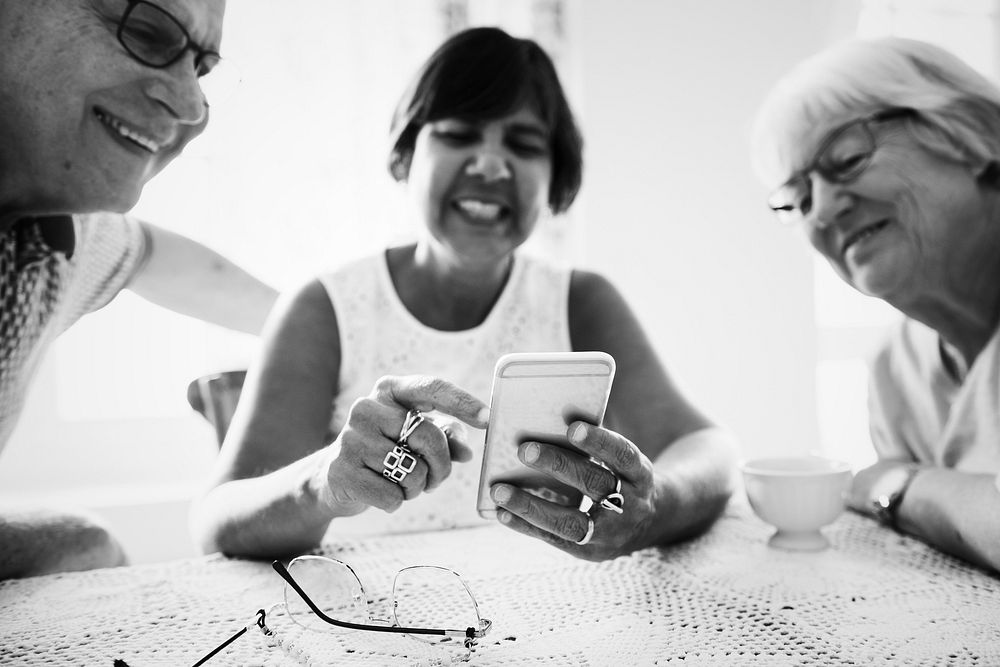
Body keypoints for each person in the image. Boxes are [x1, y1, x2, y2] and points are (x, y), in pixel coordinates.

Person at [192, 26, 738, 563]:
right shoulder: (325, 309)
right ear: (406, 155)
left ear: (555, 181)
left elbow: (708, 452)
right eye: (459, 134)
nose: (492, 165)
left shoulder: (581, 301)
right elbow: (218, 522)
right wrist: (324, 483)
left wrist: (654, 504)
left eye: (524, 145)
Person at [0, 0, 279, 578]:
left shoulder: (58, 234)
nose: (193, 108)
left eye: (201, 69)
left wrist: (324, 330)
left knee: (86, 545)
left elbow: (153, 256)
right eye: (147, 34)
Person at [751, 37, 1000, 572]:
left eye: (848, 159)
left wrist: (900, 483)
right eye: (800, 198)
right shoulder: (896, 370)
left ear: (969, 135)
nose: (822, 214)